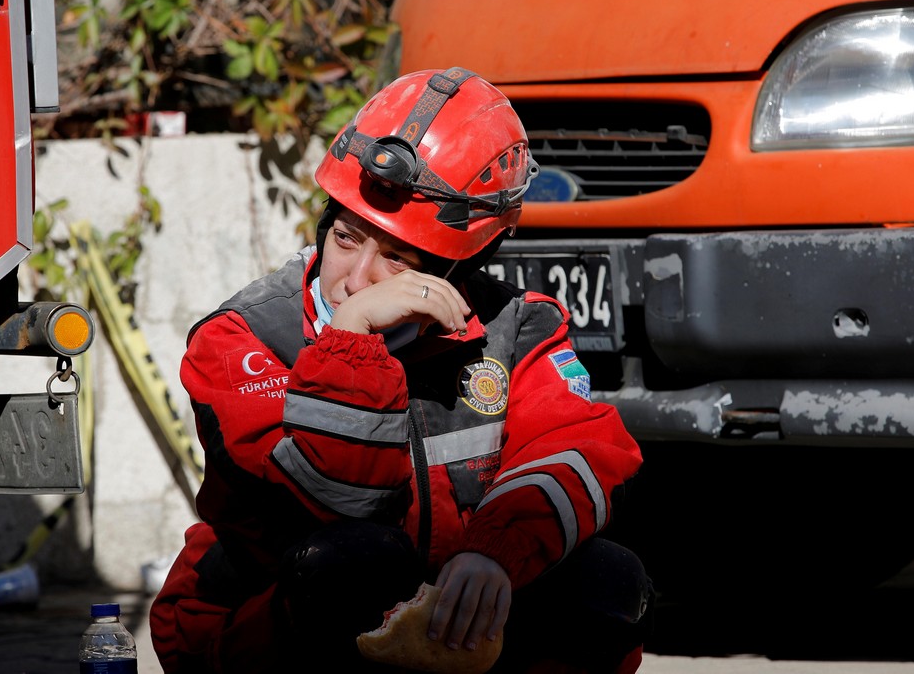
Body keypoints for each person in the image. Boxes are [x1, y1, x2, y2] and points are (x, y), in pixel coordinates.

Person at [150, 66, 652, 673]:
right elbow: (340, 506)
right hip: (256, 623)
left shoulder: (518, 329)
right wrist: (352, 337)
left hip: (431, 614)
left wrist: (494, 553)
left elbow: (579, 450)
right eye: (344, 237)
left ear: (457, 268)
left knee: (607, 579)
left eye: (396, 257)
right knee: (360, 559)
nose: (356, 279)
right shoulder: (243, 338)